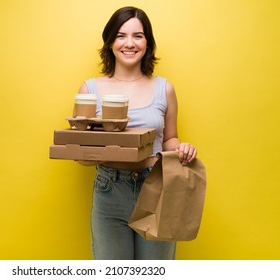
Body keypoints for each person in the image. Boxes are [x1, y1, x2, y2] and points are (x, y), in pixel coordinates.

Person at [77, 6, 197, 260]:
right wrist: (85, 153)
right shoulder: (90, 89)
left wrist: (182, 148)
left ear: (147, 43)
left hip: (156, 186)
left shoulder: (164, 88)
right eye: (121, 36)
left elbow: (169, 139)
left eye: (138, 36)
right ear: (110, 42)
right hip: (110, 188)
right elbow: (81, 147)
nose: (129, 43)